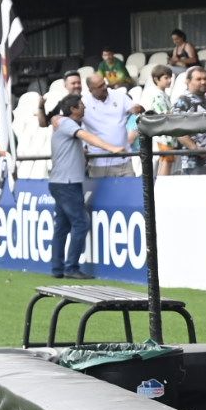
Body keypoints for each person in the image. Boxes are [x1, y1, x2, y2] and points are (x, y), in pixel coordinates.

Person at [47, 94, 126, 281]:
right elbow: (86, 136)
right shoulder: (67, 123)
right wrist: (111, 148)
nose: (84, 108)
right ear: (73, 109)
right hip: (67, 183)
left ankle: (57, 268)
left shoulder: (61, 124)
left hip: (59, 182)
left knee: (62, 226)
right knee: (80, 223)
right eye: (81, 105)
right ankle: (71, 268)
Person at [82, 73, 141, 179]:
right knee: (103, 196)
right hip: (98, 163)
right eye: (100, 86)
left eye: (104, 84)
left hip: (124, 159)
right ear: (91, 90)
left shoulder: (119, 96)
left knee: (130, 192)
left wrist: (137, 109)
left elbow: (134, 109)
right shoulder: (83, 103)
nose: (104, 87)